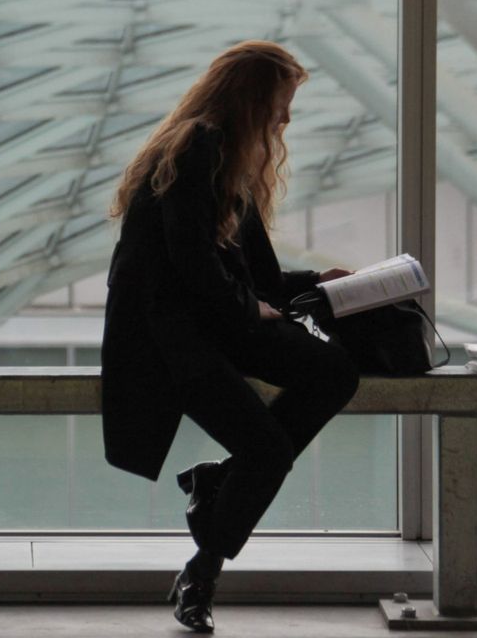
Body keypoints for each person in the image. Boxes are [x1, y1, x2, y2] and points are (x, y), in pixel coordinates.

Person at [99, 40, 358, 633]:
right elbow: (191, 267)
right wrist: (256, 311)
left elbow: (253, 274)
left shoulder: (224, 152)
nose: (285, 119)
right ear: (251, 98)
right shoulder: (198, 147)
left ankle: (218, 483)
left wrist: (320, 281)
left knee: (335, 371)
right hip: (174, 339)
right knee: (266, 450)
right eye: (281, 103)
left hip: (216, 321)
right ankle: (203, 572)